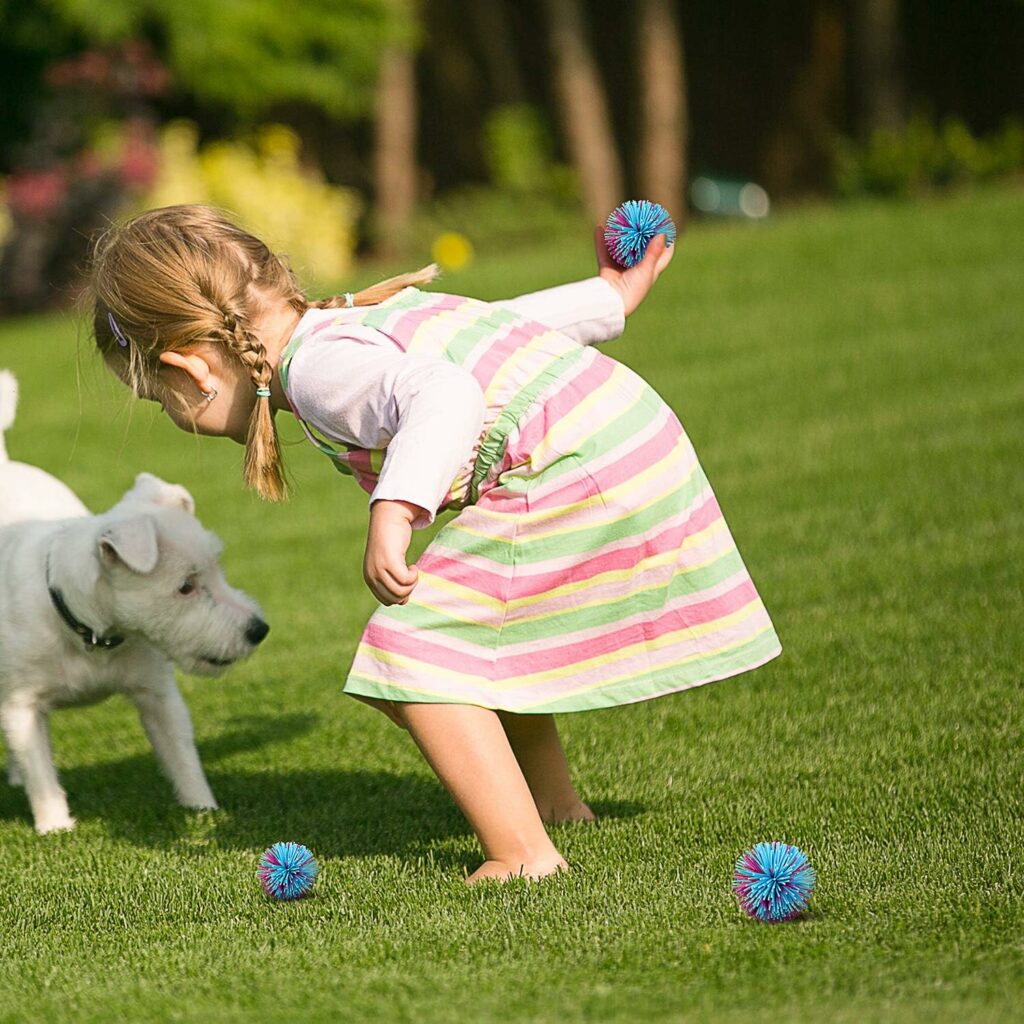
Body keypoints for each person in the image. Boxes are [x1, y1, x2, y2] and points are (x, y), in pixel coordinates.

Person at [90, 204, 781, 883]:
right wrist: (606, 300)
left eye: (161, 401)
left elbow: (446, 391)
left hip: (573, 466)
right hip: (621, 437)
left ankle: (523, 855)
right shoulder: (348, 322)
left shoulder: (317, 370)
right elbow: (495, 329)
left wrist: (396, 507)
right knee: (475, 637)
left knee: (414, 653)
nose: (175, 416)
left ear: (192, 369)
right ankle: (554, 807)